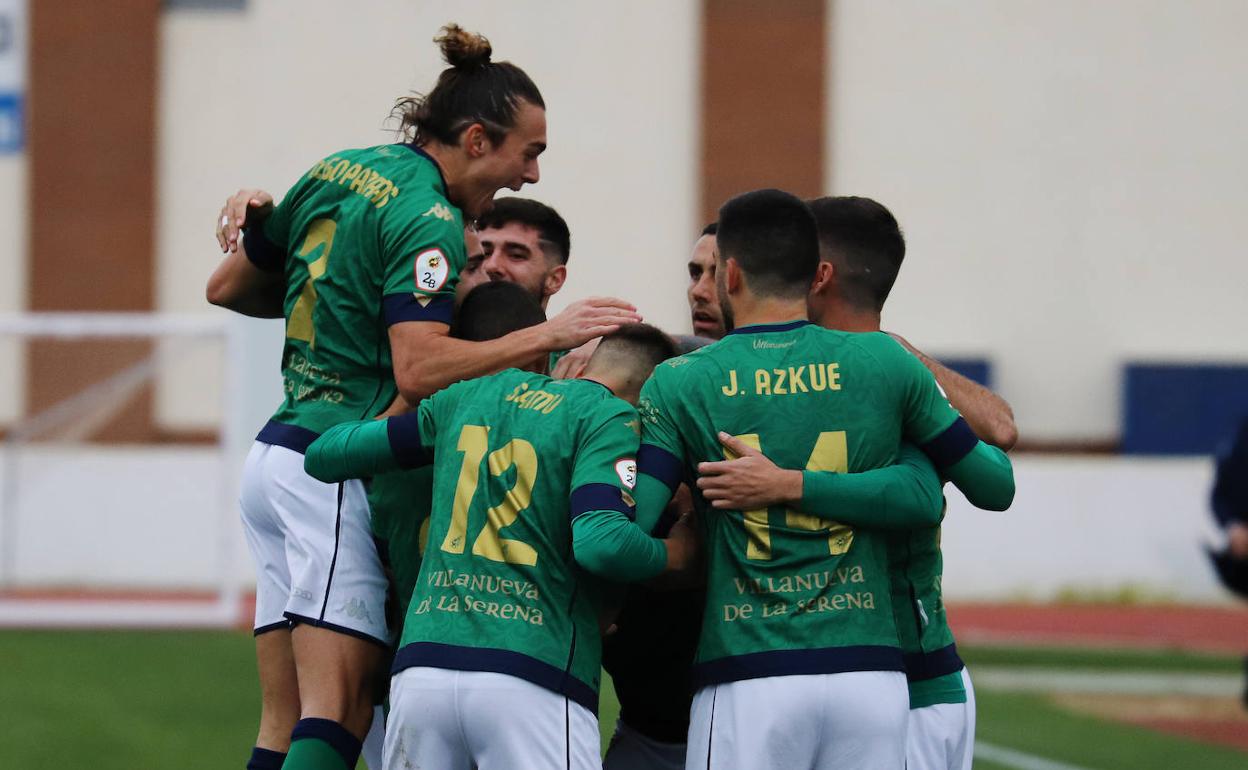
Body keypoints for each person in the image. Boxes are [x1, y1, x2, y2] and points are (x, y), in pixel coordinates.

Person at [205, 25, 639, 770]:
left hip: (273, 453)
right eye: (527, 152)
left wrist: (340, 294)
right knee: (338, 706)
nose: (531, 174)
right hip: (334, 461)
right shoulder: (428, 216)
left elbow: (229, 285)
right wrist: (549, 335)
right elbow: (417, 370)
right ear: (476, 139)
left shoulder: (338, 168)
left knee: (285, 717)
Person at [632, 189, 1014, 770]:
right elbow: (991, 469)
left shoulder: (692, 379)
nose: (702, 287)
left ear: (816, 275)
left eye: (713, 271)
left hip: (851, 673)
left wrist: (785, 486)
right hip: (885, 677)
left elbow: (972, 465)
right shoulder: (887, 372)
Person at [304, 324, 699, 770]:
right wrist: (677, 555)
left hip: (422, 675)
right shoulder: (610, 417)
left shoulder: (473, 395)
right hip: (533, 676)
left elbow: (326, 454)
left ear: (583, 363)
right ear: (647, 395)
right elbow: (602, 544)